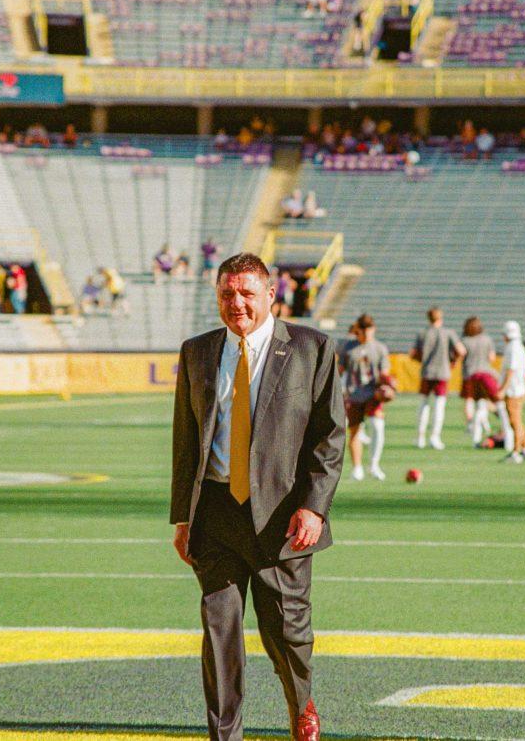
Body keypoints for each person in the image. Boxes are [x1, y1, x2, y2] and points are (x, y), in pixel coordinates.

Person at [170, 252, 344, 741]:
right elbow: (187, 441)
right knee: (220, 632)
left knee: (285, 632)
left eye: (247, 293)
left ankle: (300, 704)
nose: (237, 303)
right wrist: (182, 517)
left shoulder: (312, 348)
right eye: (227, 293)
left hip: (282, 518)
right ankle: (226, 734)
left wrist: (313, 505)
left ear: (271, 294)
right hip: (216, 514)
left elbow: (330, 436)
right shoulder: (196, 352)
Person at [339, 314, 392, 481]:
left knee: (377, 425)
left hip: (373, 394)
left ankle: (374, 465)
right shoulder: (348, 347)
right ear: (358, 331)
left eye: (370, 330)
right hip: (353, 394)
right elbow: (339, 370)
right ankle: (357, 468)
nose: (367, 334)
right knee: (354, 431)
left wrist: (388, 385)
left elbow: (384, 373)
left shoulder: (380, 348)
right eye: (364, 330)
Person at [410, 306, 466, 450]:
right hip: (442, 372)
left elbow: (413, 354)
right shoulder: (448, 333)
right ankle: (435, 437)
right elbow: (461, 350)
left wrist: (423, 360)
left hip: (427, 372)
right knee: (439, 406)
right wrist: (453, 362)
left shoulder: (423, 333)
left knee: (424, 404)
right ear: (441, 317)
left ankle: (420, 437)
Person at [459, 317, 510, 448]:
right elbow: (491, 358)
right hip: (486, 373)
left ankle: (473, 431)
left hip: (470, 375)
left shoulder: (465, 340)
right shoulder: (486, 339)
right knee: (498, 403)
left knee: (473, 403)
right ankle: (508, 434)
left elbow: (460, 354)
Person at [497, 320, 525, 462]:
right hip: (518, 388)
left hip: (514, 390)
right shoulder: (519, 346)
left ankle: (516, 451)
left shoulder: (513, 348)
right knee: (517, 421)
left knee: (515, 421)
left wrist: (502, 389)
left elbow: (511, 370)